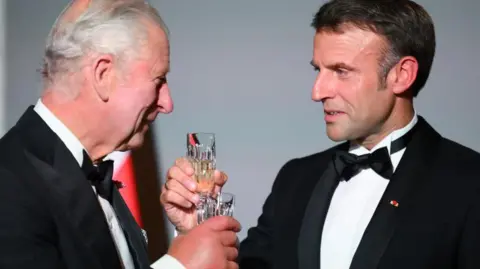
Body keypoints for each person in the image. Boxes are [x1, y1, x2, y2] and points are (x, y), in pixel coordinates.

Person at [160, 0, 480, 268]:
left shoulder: (468, 182)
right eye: (319, 70)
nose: (318, 91)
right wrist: (197, 232)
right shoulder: (296, 179)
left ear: (402, 74)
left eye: (341, 71)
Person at [0, 0, 241, 268]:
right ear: (103, 74)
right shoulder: (9, 182)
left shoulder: (94, 178)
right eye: (158, 80)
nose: (167, 103)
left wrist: (191, 237)